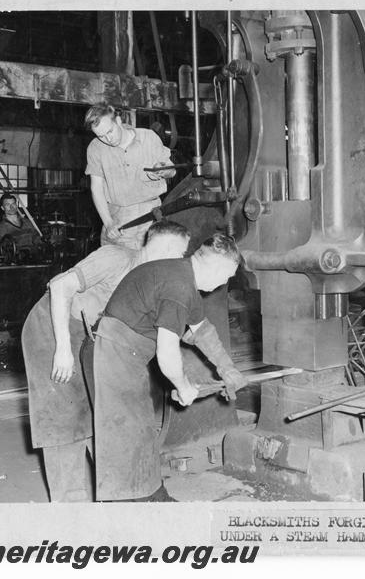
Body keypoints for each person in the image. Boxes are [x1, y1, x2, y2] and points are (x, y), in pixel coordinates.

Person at [21, 220, 191, 503]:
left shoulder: (148, 280)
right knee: (64, 419)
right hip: (53, 329)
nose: (180, 263)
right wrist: (63, 349)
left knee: (101, 409)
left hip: (90, 337)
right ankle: (70, 511)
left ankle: (119, 494)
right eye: (180, 255)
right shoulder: (117, 257)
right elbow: (60, 286)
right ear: (167, 248)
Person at [93, 233, 247, 502]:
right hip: (116, 350)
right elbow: (167, 353)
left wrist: (227, 368)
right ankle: (131, 507)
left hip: (130, 350)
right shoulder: (179, 287)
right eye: (227, 275)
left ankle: (153, 493)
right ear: (216, 266)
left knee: (141, 428)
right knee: (124, 433)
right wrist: (184, 386)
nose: (225, 283)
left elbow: (203, 332)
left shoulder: (184, 277)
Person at [84, 103, 177, 250]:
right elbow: (96, 188)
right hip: (118, 218)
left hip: (151, 214)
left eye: (110, 131)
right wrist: (108, 222)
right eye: (101, 136)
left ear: (119, 121)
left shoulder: (148, 138)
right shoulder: (95, 148)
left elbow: (172, 171)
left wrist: (163, 171)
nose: (108, 139)